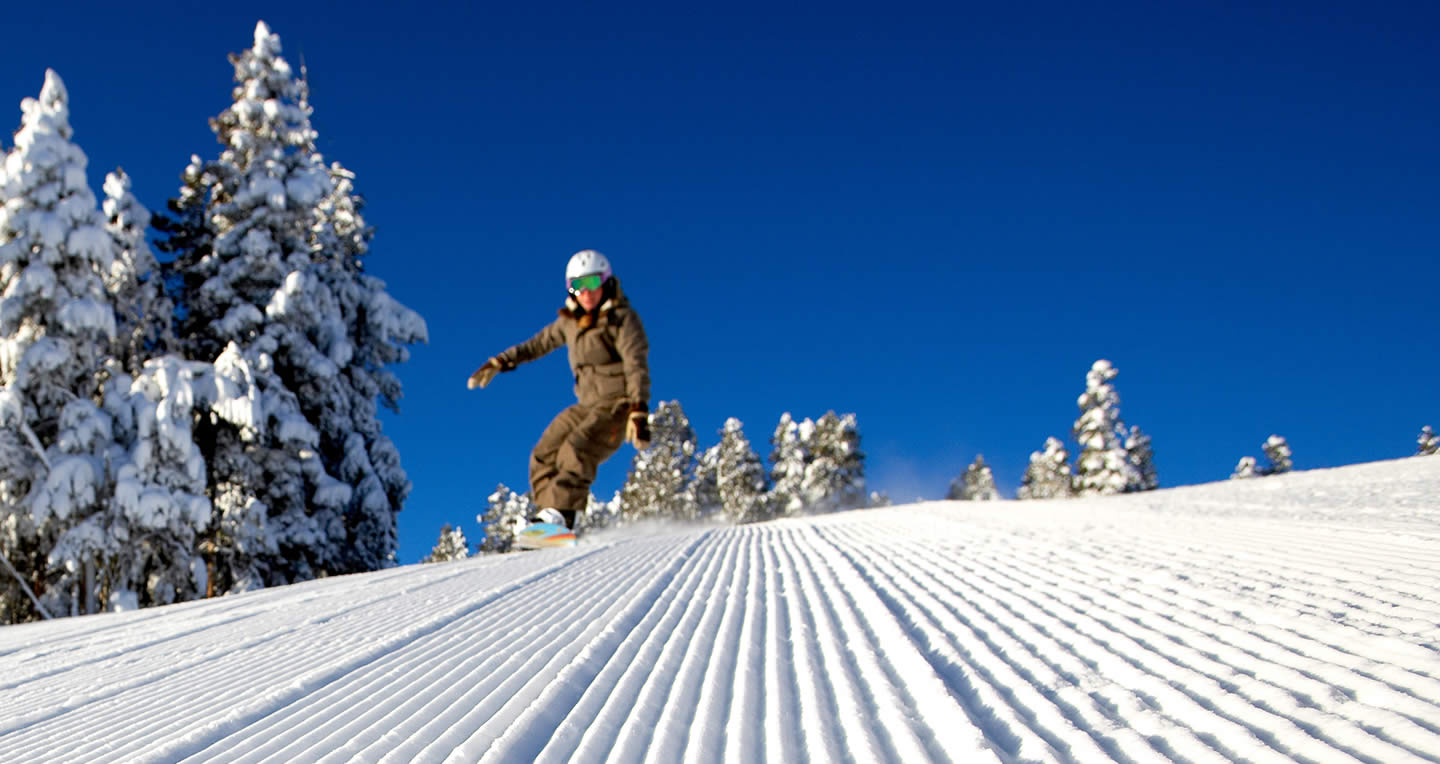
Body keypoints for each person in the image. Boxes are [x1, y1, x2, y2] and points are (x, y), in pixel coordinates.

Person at [467, 249, 651, 531]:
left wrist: (638, 409)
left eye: (592, 283)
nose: (586, 292)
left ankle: (564, 516)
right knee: (544, 452)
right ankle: (552, 518)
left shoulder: (622, 319)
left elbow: (636, 362)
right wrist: (501, 361)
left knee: (576, 448)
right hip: (586, 404)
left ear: (607, 282)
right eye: (578, 286)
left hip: (617, 405)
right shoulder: (570, 323)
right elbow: (537, 344)